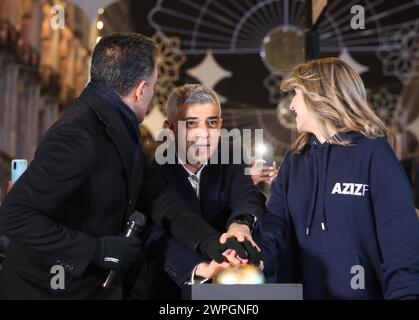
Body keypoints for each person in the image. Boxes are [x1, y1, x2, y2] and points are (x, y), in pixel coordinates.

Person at [0, 33, 257, 299]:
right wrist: (97, 251)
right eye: (154, 86)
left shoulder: (118, 128)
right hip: (47, 291)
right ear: (141, 90)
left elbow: (159, 198)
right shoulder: (78, 134)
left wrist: (212, 243)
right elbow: (14, 215)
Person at [260, 57, 419, 299]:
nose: (291, 104)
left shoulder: (375, 154)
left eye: (296, 94)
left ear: (319, 95)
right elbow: (274, 227)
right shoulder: (294, 161)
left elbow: (402, 247)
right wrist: (253, 254)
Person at [131, 84, 265, 299]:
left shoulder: (232, 157)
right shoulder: (151, 171)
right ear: (169, 129)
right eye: (191, 124)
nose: (204, 134)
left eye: (212, 123)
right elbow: (152, 234)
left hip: (226, 293)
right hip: (167, 290)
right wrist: (199, 267)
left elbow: (247, 195)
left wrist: (241, 225)